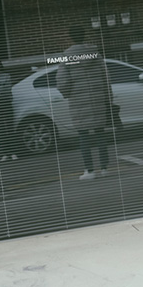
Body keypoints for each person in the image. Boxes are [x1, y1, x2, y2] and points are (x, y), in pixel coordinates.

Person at [58, 26, 113, 179]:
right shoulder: (95, 54)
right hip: (98, 99)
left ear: (71, 37)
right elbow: (106, 77)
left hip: (78, 101)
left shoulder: (67, 56)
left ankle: (89, 170)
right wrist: (108, 97)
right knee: (100, 133)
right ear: (84, 35)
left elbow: (62, 81)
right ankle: (104, 168)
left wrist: (68, 93)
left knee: (83, 135)